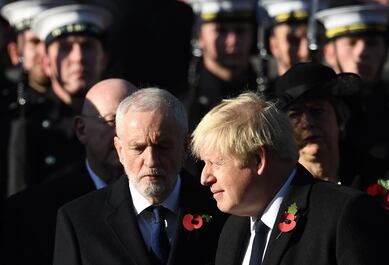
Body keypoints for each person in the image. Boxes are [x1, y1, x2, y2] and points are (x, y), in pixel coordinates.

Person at [191, 91, 389, 265]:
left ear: (258, 159)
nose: (204, 178)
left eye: (216, 163)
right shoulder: (232, 230)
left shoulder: (343, 215)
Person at [52, 88, 227, 265]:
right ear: (120, 150)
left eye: (162, 147)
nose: (151, 161)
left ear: (185, 148)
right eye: (138, 148)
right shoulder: (80, 221)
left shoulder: (222, 210)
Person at [0, 78, 136, 265]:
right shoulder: (35, 212)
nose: (123, 135)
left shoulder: (169, 200)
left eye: (133, 124)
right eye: (112, 122)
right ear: (81, 129)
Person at [6, 3, 112, 195]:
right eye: (65, 48)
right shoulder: (28, 123)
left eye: (87, 46)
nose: (78, 58)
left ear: (103, 59)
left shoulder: (126, 119)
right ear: (46, 62)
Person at [317, 1, 389, 220]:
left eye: (372, 43)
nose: (362, 53)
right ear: (329, 52)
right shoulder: (315, 115)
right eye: (351, 43)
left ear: (384, 52)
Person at [270, 62, 360, 184]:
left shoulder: (371, 175)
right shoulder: (273, 188)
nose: (308, 123)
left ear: (340, 117)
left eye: (317, 111)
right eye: (295, 115)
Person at [185, 0, 258, 131]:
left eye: (240, 31)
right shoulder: (184, 107)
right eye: (221, 31)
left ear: (252, 34)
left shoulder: (271, 98)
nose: (232, 41)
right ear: (200, 36)